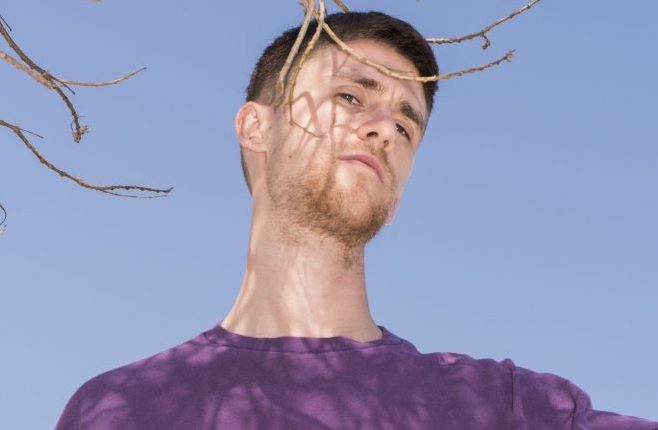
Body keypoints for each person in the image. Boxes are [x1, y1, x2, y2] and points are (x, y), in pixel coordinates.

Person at [54, 11, 657, 430]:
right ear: (256, 126)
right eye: (351, 96)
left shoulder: (503, 407)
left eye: (406, 124)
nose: (384, 129)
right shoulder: (120, 409)